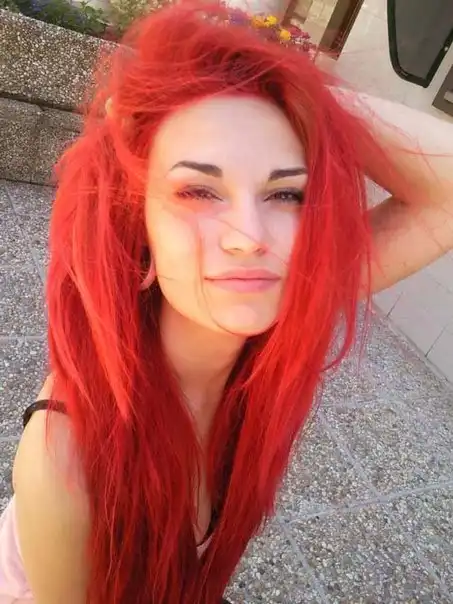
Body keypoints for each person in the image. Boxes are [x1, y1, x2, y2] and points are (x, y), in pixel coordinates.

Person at [1, 2, 453, 603]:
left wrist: (281, 78)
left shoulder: (281, 308)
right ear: (137, 225)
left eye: (285, 194)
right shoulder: (68, 463)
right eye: (198, 191)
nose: (250, 237)